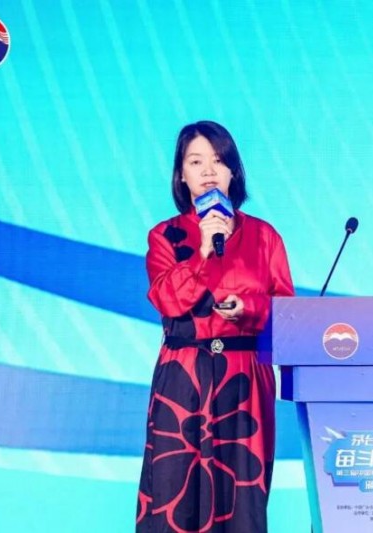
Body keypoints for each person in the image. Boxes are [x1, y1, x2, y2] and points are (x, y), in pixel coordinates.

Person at [136, 120, 294, 532]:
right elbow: (167, 299)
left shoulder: (264, 237)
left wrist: (249, 308)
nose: (208, 170)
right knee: (174, 489)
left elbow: (289, 316)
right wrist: (204, 252)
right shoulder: (165, 236)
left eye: (219, 160)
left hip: (245, 378)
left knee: (241, 497)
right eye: (196, 161)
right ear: (181, 175)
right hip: (183, 377)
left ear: (233, 172)